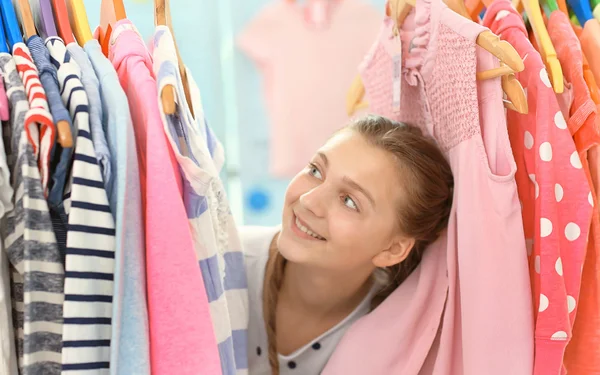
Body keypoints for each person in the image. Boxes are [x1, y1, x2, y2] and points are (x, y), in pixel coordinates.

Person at [240, 115, 454, 375]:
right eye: (316, 171)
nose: (309, 201)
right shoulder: (218, 267)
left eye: (349, 201)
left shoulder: (396, 337)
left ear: (392, 250)